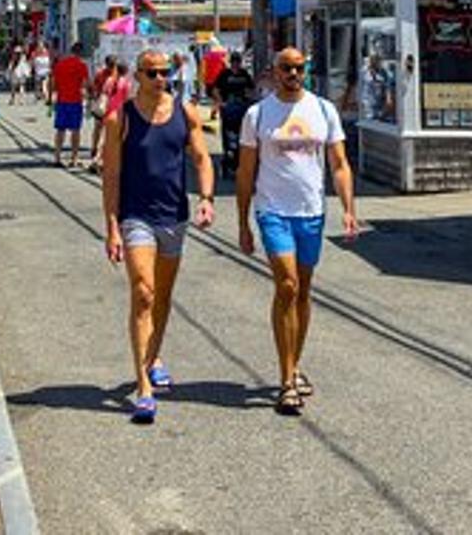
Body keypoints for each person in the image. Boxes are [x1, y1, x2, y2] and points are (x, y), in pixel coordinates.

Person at [238, 47, 360, 416]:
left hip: (311, 212)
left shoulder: (324, 110)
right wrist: (243, 222)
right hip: (272, 210)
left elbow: (339, 164)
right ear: (274, 72)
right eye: (286, 68)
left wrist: (349, 208)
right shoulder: (258, 115)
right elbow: (245, 173)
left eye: (299, 68)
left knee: (303, 291)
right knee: (287, 285)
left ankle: (294, 362)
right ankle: (286, 379)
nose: (293, 73)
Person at [101, 49, 217, 424]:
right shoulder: (121, 118)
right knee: (143, 292)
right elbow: (112, 174)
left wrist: (206, 198)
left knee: (163, 296)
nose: (158, 79)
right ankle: (143, 389)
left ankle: (154, 358)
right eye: (151, 73)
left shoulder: (185, 112)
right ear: (137, 76)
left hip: (174, 216)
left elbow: (201, 158)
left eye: (164, 72)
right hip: (137, 215)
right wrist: (112, 226)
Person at [47, 41, 91, 168]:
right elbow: (87, 84)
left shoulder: (60, 65)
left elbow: (52, 84)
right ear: (81, 52)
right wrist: (90, 96)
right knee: (75, 130)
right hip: (75, 101)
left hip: (61, 101)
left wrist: (50, 98)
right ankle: (74, 158)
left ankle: (57, 157)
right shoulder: (82, 65)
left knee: (60, 130)